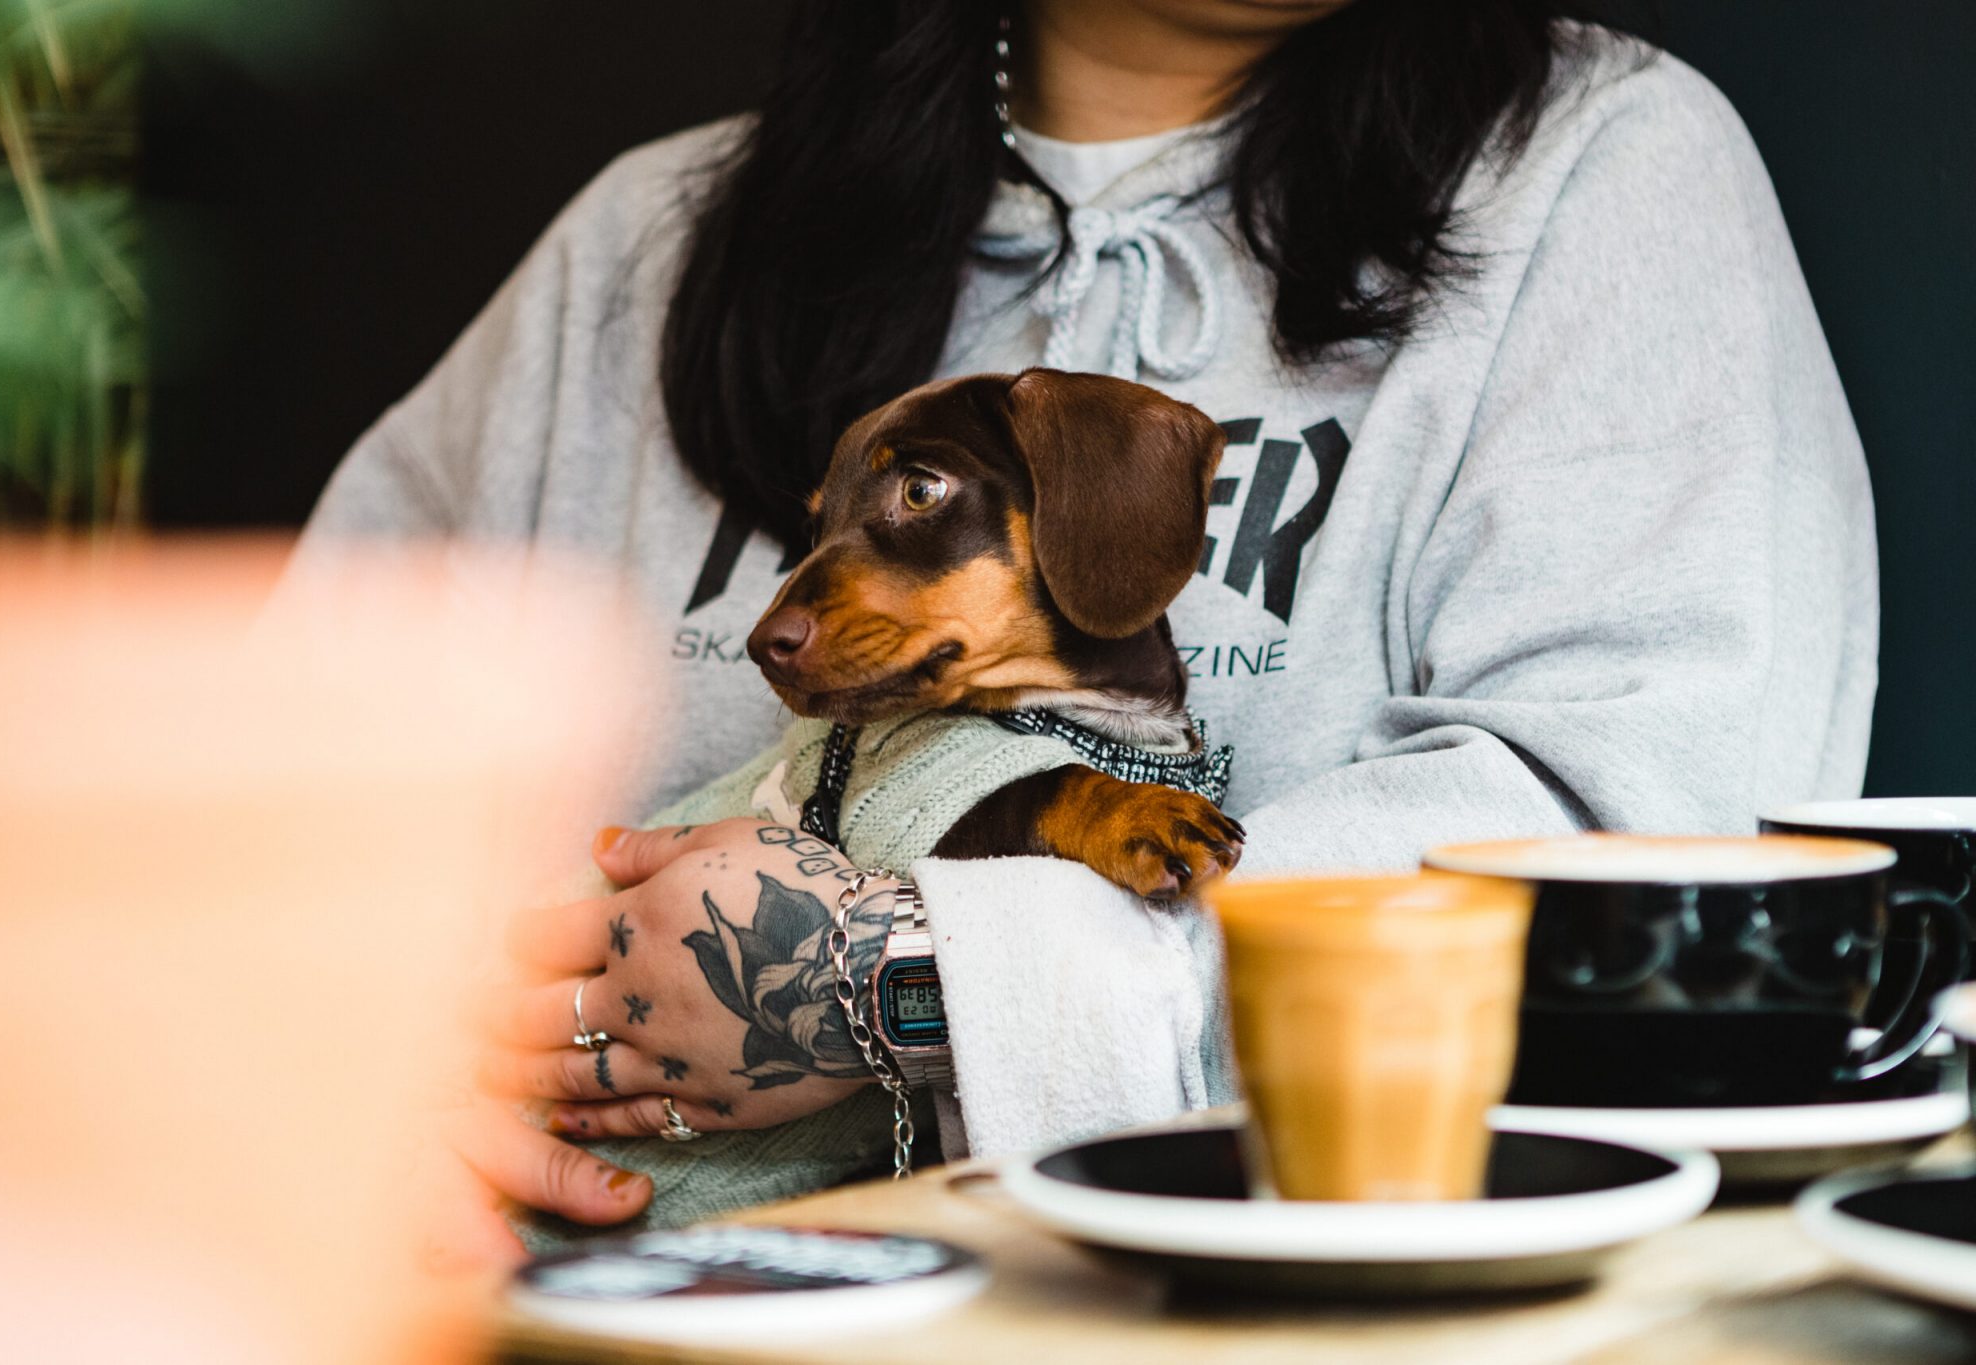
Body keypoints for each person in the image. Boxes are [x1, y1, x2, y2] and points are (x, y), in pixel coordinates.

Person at [288, 0, 1877, 1266]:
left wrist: (917, 984)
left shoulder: (1597, 172)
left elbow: (1638, 827)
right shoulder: (648, 246)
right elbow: (287, 764)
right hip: (610, 1307)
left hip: (1284, 1309)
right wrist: (332, 1082)